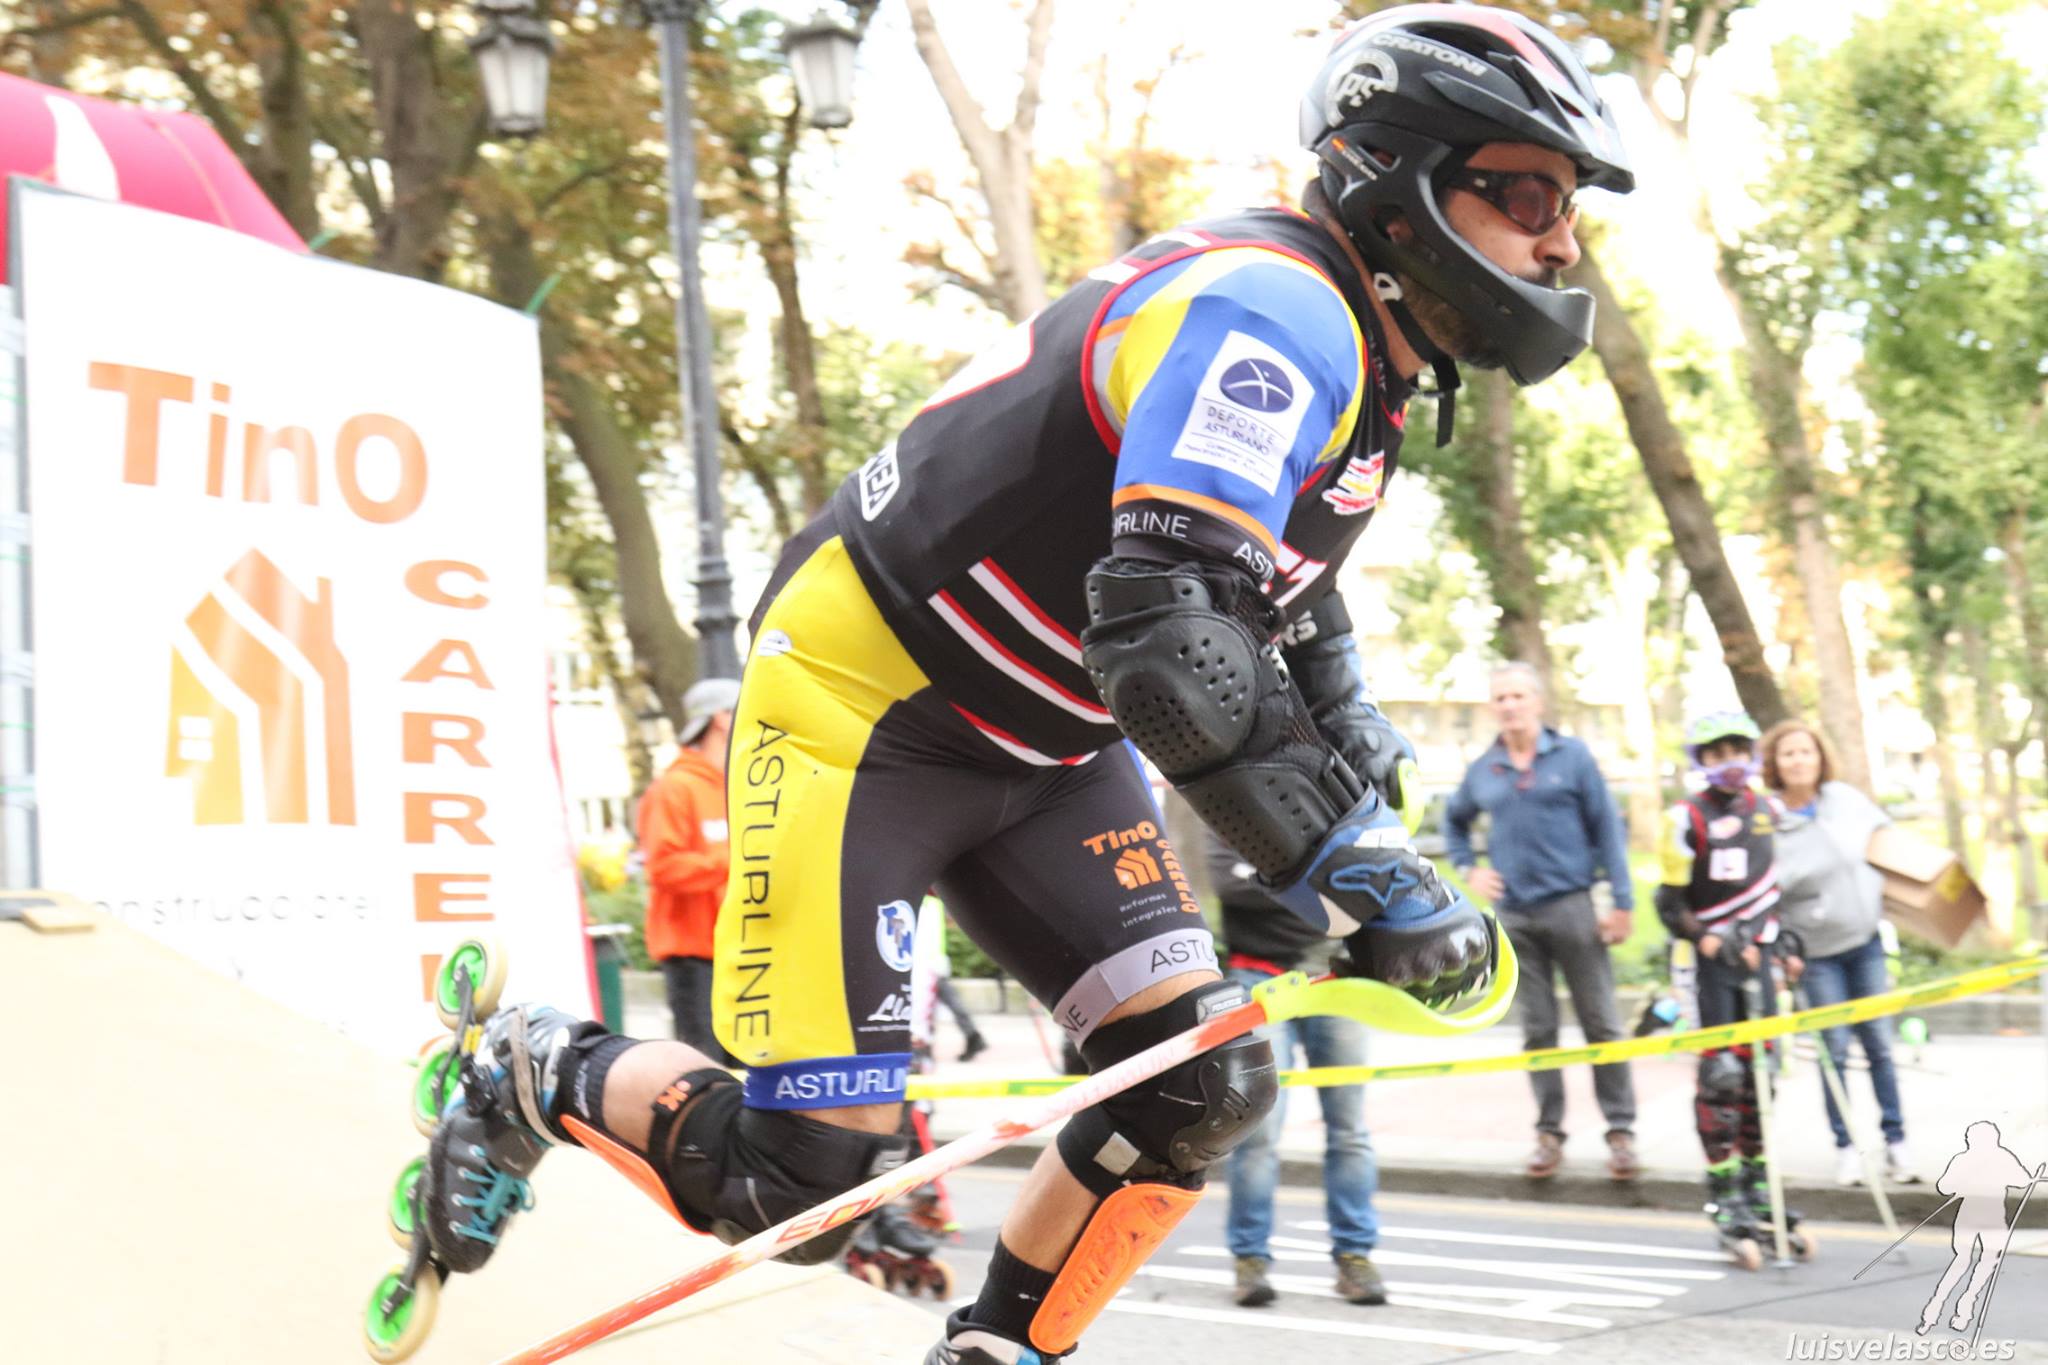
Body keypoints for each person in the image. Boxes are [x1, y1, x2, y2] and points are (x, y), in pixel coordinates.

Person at [411, 10, 1630, 1363]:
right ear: (1401, 186)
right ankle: (530, 1066)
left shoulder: (1353, 342)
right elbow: (1173, 648)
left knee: (1199, 1082)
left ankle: (997, 1352)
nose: (1561, 244)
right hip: (869, 716)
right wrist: (1361, 864)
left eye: (1567, 207)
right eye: (1529, 196)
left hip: (1049, 746)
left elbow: (1279, 590)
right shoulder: (1275, 313)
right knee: (805, 1185)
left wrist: (1362, 785)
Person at [1444, 662, 1640, 1181]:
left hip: (1572, 906)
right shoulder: (1484, 768)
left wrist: (1622, 902)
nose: (1509, 705)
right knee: (1538, 1029)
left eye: (1518, 696)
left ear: (1537, 701)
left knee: (1601, 1022)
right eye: (1500, 698)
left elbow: (1608, 831)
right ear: (1492, 707)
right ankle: (1549, 1134)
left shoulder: (1573, 757)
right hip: (1515, 916)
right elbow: (1454, 822)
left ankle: (1621, 1132)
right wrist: (1469, 869)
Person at [1208, 829, 1385, 1309]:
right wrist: (1322, 883)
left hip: (1338, 981)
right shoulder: (1224, 812)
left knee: (1349, 1130)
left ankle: (1355, 1257)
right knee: (1257, 1132)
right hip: (1259, 982)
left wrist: (1270, 879)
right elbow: (1230, 886)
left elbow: (1371, 888)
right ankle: (1250, 1260)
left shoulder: (1335, 810)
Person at [1654, 712, 1808, 1257]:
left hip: (1757, 960)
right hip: (1707, 965)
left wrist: (1784, 943)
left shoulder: (1768, 811)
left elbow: (1773, 890)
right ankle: (1725, 1195)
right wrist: (1707, 939)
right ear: (1700, 760)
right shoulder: (1684, 818)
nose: (1731, 763)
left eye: (1738, 751)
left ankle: (1760, 1190)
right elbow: (1668, 905)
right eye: (1717, 754)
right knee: (1721, 1078)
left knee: (1760, 1078)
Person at [1761, 719, 1917, 1187]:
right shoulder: (1769, 821)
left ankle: (1896, 1142)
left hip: (1865, 944)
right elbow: (1764, 890)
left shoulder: (1845, 800)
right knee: (1834, 1052)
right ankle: (1847, 1148)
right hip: (1816, 956)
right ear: (1775, 763)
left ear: (1820, 757)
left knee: (1879, 1046)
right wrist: (1781, 950)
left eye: (1806, 751)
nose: (1798, 760)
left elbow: (1888, 843)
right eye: (1788, 753)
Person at [634, 677, 741, 1063]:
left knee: (750, 1074)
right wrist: (737, 857)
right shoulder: (674, 789)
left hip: (740, 956)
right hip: (695, 961)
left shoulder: (735, 787)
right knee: (708, 1074)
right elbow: (664, 868)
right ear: (722, 719)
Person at [915, 893, 990, 1063]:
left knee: (924, 1007)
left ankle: (923, 1050)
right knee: (946, 1002)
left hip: (925, 965)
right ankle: (972, 1036)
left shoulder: (924, 901)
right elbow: (951, 922)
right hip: (934, 961)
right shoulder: (936, 902)